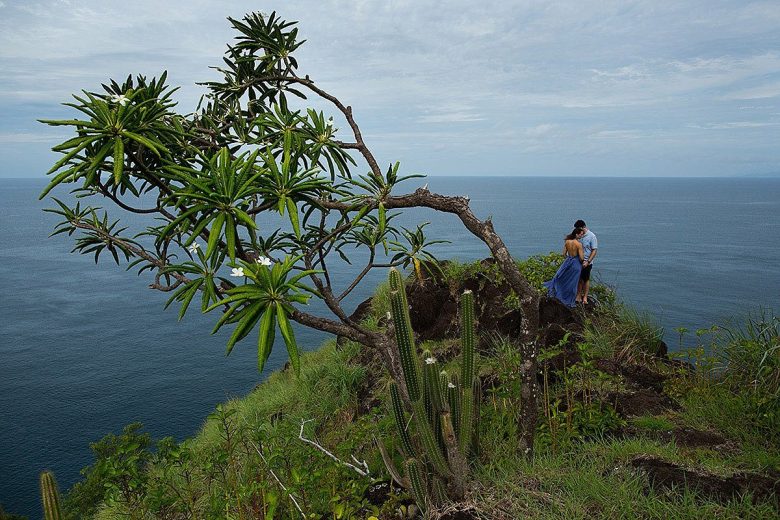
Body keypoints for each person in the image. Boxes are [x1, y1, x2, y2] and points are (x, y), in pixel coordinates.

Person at [543, 227, 586, 308]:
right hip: (576, 263)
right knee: (573, 281)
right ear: (576, 234)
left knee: (563, 278)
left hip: (567, 262)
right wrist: (583, 262)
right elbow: (581, 258)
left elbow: (563, 254)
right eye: (581, 234)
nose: (581, 236)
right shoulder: (579, 244)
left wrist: (569, 258)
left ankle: (559, 292)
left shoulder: (567, 242)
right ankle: (568, 297)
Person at [574, 219, 598, 304]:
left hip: (587, 261)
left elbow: (594, 250)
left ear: (583, 227)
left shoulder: (592, 236)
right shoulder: (579, 235)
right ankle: (578, 295)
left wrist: (588, 261)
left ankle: (585, 297)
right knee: (579, 278)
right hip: (578, 261)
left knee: (586, 279)